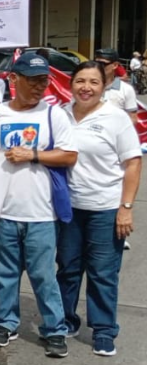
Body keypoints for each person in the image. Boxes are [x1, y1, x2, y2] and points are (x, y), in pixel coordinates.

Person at [0, 52, 77, 358]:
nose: (39, 87)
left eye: (43, 81)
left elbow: (69, 155)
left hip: (41, 214)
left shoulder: (54, 115)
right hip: (2, 212)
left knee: (43, 276)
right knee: (4, 274)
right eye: (32, 80)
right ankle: (6, 322)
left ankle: (55, 329)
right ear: (13, 79)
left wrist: (32, 154)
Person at [57, 61, 142, 357]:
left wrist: (126, 207)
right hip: (68, 209)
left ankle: (104, 330)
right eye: (80, 81)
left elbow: (133, 163)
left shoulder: (116, 118)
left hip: (105, 209)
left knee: (102, 273)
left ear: (104, 86)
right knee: (67, 269)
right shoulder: (60, 114)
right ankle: (66, 320)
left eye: (93, 82)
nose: (86, 88)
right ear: (71, 84)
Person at [94, 48, 138, 125]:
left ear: (115, 65)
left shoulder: (126, 89)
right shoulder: (87, 88)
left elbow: (133, 118)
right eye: (96, 63)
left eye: (103, 64)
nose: (98, 67)